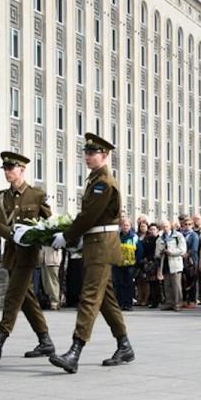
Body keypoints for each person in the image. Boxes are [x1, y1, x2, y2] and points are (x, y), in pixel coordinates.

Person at [49, 133, 134, 374]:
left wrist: (67, 236)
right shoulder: (95, 179)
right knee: (105, 300)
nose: (87, 156)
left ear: (105, 156)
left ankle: (75, 351)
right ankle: (124, 345)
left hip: (102, 245)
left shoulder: (103, 182)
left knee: (88, 296)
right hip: (96, 242)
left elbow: (88, 216)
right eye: (86, 153)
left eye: (92, 153)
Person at [0, 151, 55, 363]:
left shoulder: (37, 195)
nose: (8, 172)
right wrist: (13, 233)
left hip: (28, 255)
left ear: (22, 169)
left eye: (11, 168)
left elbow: (48, 223)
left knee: (12, 296)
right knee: (26, 298)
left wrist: (35, 235)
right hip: (11, 253)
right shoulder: (1, 197)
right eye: (5, 169)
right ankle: (45, 341)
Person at [155, 219, 187, 311]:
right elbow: (156, 253)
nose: (165, 229)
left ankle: (178, 304)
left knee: (176, 285)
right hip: (164, 263)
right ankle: (169, 302)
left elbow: (182, 249)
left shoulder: (178, 236)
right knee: (167, 285)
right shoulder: (160, 238)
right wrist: (160, 252)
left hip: (175, 263)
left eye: (166, 226)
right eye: (163, 227)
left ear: (170, 226)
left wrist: (171, 252)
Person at [112, 218, 138, 311]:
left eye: (127, 225)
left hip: (130, 265)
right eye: (123, 225)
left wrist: (137, 263)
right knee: (118, 284)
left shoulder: (134, 237)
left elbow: (138, 250)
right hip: (117, 264)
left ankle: (128, 304)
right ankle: (120, 303)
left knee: (129, 284)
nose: (125, 227)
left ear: (130, 226)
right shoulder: (116, 236)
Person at [179, 216, 200, 308]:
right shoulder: (180, 234)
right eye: (185, 224)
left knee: (191, 280)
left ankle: (192, 300)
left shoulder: (194, 235)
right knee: (183, 281)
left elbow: (194, 249)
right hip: (181, 260)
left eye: (189, 224)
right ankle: (184, 299)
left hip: (191, 261)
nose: (187, 226)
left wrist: (186, 254)